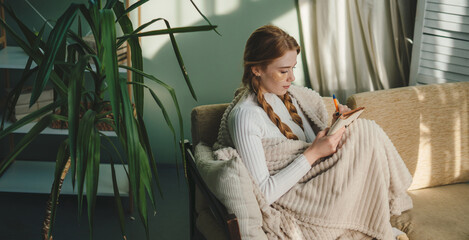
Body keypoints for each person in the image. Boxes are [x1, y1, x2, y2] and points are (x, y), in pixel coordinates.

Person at [215, 25, 413, 239]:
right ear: (257, 69)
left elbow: (311, 147)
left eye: (293, 68)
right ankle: (379, 226)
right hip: (298, 201)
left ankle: (376, 222)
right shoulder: (245, 116)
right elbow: (263, 194)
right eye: (283, 71)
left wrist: (336, 127)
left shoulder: (291, 97)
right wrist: (314, 153)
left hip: (319, 182)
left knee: (363, 132)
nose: (291, 78)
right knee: (366, 132)